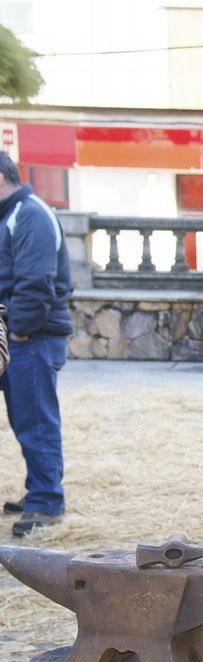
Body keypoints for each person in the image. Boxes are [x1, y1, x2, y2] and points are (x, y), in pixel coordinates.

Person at [0, 152, 73, 537]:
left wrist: (19, 332)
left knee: (36, 421)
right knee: (24, 419)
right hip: (18, 336)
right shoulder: (12, 214)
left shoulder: (29, 214)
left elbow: (35, 282)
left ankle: (46, 502)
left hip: (32, 338)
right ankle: (38, 493)